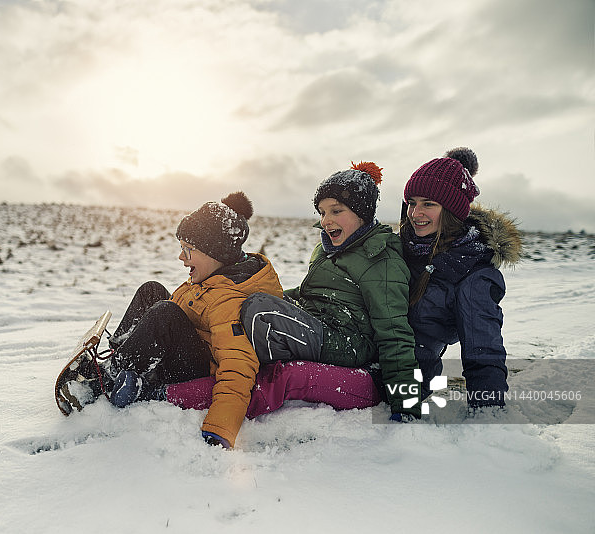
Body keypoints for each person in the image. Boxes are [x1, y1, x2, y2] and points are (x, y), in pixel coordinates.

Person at [167, 162, 422, 421]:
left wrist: (407, 405)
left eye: (336, 211)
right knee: (243, 304)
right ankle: (212, 356)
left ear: (363, 213)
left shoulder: (381, 260)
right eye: (322, 212)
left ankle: (242, 372)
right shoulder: (328, 250)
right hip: (320, 326)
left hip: (348, 343)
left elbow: (395, 334)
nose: (326, 221)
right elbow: (309, 293)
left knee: (259, 311)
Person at [58, 191, 284, 449]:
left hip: (193, 371)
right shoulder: (215, 275)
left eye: (189, 249)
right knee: (152, 291)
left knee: (165, 313)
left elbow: (238, 368)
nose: (181, 257)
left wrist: (220, 429)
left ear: (215, 253)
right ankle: (120, 357)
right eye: (181, 248)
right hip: (190, 347)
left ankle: (104, 381)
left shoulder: (230, 300)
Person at [400, 147, 521, 409]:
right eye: (412, 203)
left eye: (428, 204)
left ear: (451, 211)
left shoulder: (472, 271)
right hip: (364, 352)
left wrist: (487, 414)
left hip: (406, 378)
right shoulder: (399, 248)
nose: (416, 213)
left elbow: (483, 350)